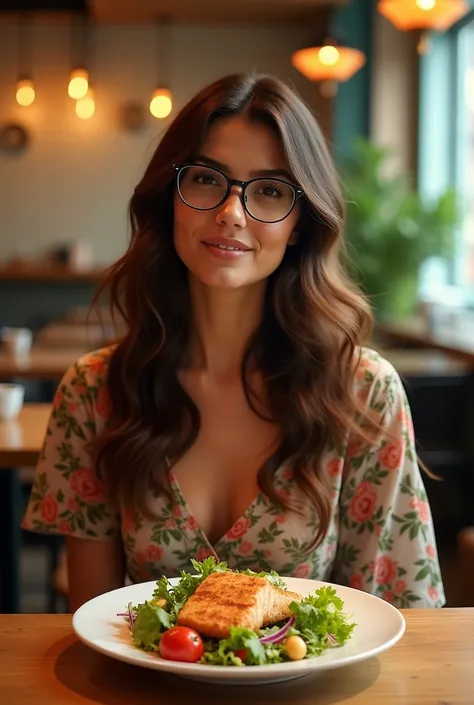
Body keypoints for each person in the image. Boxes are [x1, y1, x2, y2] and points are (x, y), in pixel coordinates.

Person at [23, 72, 445, 612]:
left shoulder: (362, 394)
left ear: (299, 223)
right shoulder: (93, 393)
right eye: (206, 179)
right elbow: (95, 625)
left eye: (270, 190)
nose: (231, 212)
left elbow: (397, 616)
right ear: (169, 198)